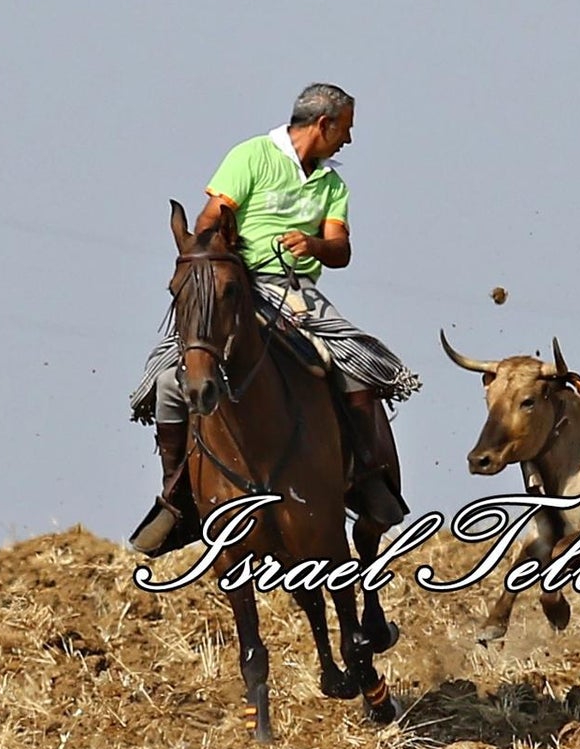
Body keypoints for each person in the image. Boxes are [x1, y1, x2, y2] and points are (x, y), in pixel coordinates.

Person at [129, 83, 420, 556]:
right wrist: (215, 255)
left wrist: (315, 247)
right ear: (323, 124)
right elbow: (208, 218)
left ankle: (369, 477)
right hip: (234, 286)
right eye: (345, 129)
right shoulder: (250, 157)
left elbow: (340, 249)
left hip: (296, 292)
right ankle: (175, 497)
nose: (347, 140)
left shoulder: (332, 185)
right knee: (168, 379)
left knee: (356, 363)